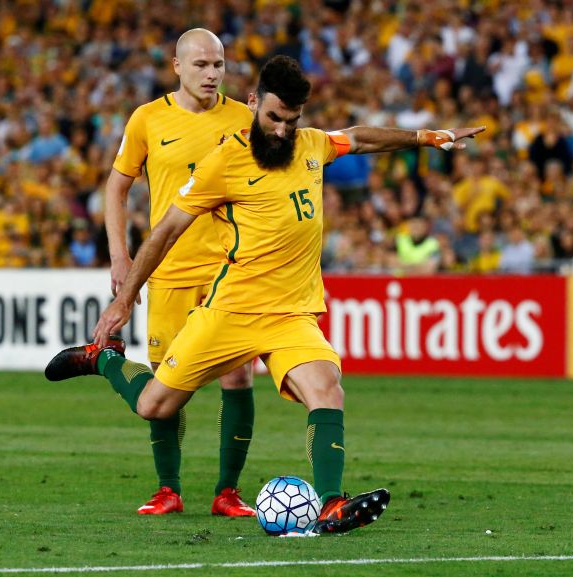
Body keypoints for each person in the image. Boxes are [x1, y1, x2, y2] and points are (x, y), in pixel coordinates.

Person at [46, 55, 483, 533]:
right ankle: (104, 360)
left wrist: (427, 137)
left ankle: (331, 504)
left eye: (291, 121)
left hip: (291, 315)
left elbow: (358, 137)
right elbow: (166, 230)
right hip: (230, 311)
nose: (281, 131)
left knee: (327, 390)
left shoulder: (313, 145)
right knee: (154, 406)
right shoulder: (224, 162)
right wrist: (125, 298)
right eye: (273, 118)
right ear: (253, 103)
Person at [97, 29, 257, 517]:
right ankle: (168, 488)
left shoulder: (243, 117)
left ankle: (227, 492)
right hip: (166, 272)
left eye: (219, 65)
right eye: (202, 65)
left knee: (239, 377)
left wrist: (270, 122)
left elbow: (286, 164)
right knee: (167, 390)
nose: (212, 74)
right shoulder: (147, 119)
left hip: (227, 272)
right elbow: (116, 188)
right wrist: (121, 258)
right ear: (177, 66)